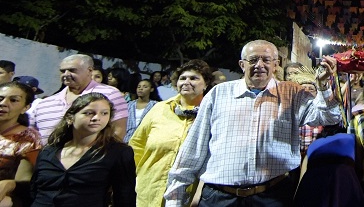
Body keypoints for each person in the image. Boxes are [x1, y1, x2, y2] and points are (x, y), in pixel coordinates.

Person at [164, 40, 342, 207]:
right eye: (253, 59)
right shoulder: (219, 94)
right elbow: (194, 148)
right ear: (242, 64)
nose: (259, 65)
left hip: (272, 197)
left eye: (266, 60)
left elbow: (329, 118)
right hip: (218, 198)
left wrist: (323, 86)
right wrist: (175, 200)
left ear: (276, 64)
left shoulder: (292, 93)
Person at [129, 60, 213, 207]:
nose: (187, 82)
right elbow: (137, 145)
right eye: (182, 78)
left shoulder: (211, 114)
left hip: (186, 196)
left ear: (205, 84)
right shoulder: (159, 109)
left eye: (193, 78)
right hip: (148, 191)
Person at [30, 93, 135, 207]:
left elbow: (125, 197)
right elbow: (34, 191)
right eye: (89, 113)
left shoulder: (118, 152)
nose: (97, 118)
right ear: (70, 117)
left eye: (104, 113)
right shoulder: (48, 151)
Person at [29, 54, 127, 145]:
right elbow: (32, 136)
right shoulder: (45, 103)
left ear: (89, 71)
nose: (66, 74)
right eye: (62, 71)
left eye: (72, 70)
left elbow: (118, 131)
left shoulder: (110, 94)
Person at [0, 82, 42, 207]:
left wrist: (9, 184)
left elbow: (25, 180)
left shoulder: (28, 138)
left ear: (26, 108)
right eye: (0, 98)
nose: (3, 103)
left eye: (13, 100)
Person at [123, 79, 161, 143]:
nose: (141, 89)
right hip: (127, 140)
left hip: (145, 140)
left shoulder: (156, 105)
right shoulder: (129, 105)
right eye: (139, 87)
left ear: (151, 89)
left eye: (145, 87)